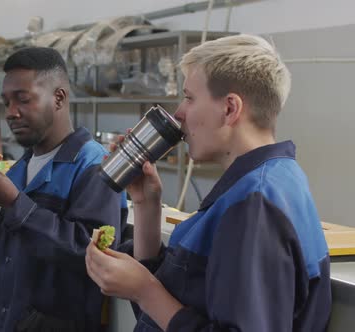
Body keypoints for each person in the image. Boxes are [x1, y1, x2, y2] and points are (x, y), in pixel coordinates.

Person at [85, 34, 331, 331]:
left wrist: (144, 290)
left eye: (189, 97)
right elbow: (179, 306)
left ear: (230, 108)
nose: (178, 112)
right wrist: (146, 205)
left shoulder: (254, 206)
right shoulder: (269, 181)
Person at [0, 47, 128, 332]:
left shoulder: (96, 167)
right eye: (7, 102)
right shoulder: (20, 168)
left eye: (23, 100)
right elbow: (22, 245)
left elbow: (91, 255)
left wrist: (14, 204)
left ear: (59, 98)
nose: (11, 113)